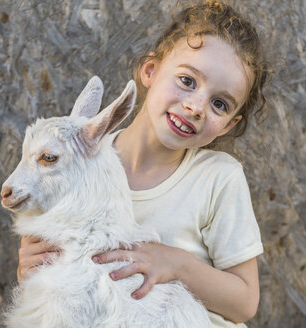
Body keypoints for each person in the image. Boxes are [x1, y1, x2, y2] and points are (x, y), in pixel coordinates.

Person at [16, 1, 267, 326]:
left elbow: (245, 303)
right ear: (150, 71)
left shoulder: (218, 178)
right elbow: (53, 271)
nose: (196, 107)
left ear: (230, 124)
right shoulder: (75, 163)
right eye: (188, 81)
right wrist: (29, 267)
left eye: (219, 104)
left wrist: (178, 265)